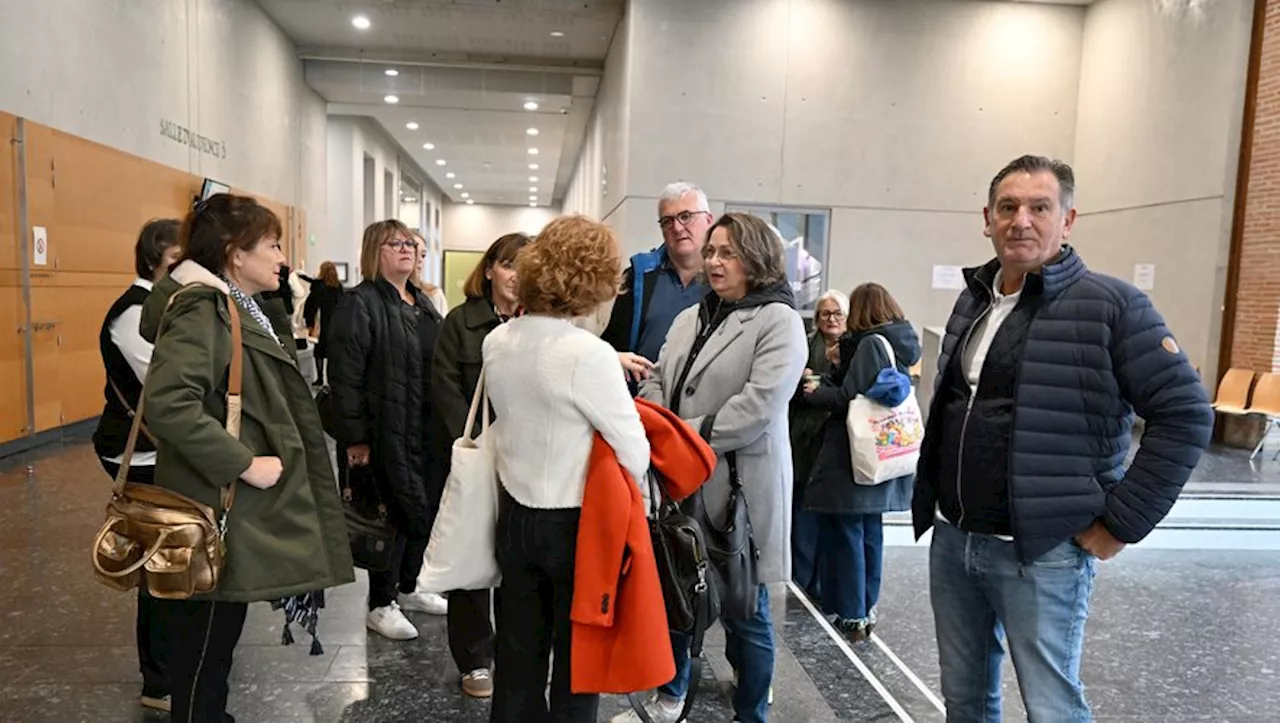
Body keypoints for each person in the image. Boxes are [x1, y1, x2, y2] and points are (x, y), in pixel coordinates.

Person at [914, 155, 1214, 721]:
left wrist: (1121, 524)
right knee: (965, 702)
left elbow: (1186, 415)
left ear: (1067, 220)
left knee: (1052, 707)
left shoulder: (1113, 307)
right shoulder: (976, 299)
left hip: (1043, 552)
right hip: (956, 540)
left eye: (1039, 208)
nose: (1020, 220)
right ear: (987, 218)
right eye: (1008, 207)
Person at [139, 194, 354, 722]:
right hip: (215, 502)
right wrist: (243, 462)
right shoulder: (203, 307)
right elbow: (169, 404)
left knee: (215, 639)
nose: (283, 257)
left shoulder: (237, 304)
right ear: (235, 254)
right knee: (205, 641)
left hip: (224, 504)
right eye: (273, 245)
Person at [625, 212, 807, 723]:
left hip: (738, 491)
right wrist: (661, 430)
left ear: (757, 258)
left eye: (727, 252)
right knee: (679, 594)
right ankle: (671, 694)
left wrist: (680, 437)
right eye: (711, 252)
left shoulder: (779, 320)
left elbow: (758, 408)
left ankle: (751, 712)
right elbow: (657, 381)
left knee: (744, 612)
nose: (714, 261)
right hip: (679, 483)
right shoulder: (692, 316)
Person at [484, 216, 650, 723]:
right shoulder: (589, 355)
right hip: (575, 525)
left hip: (512, 513)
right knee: (578, 665)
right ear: (594, 281)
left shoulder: (499, 340)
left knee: (516, 659)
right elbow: (634, 451)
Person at [329, 220, 450, 640]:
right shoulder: (360, 302)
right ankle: (381, 603)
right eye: (393, 243)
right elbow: (344, 376)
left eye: (410, 243)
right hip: (384, 429)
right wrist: (355, 438)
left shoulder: (422, 301)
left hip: (425, 427)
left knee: (423, 507)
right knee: (388, 515)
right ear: (373, 251)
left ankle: (409, 586)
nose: (405, 249)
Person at [430, 231, 531, 698]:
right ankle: (474, 659)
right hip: (475, 457)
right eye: (509, 265)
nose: (516, 276)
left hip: (528, 464)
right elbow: (446, 388)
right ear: (490, 269)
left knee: (517, 561)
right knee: (472, 558)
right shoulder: (460, 322)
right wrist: (476, 446)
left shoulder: (542, 322)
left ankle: (515, 651)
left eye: (525, 267)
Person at [91, 217, 182, 713]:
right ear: (152, 261)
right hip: (136, 450)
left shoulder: (166, 305)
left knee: (176, 557)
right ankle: (159, 679)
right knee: (160, 563)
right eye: (174, 263)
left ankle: (172, 667)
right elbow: (168, 384)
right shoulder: (131, 312)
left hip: (164, 448)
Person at [801, 283, 920, 641]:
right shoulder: (901, 341)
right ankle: (867, 608)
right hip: (884, 454)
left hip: (856, 457)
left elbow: (849, 397)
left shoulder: (870, 343)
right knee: (871, 533)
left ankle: (852, 615)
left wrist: (815, 393)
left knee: (850, 534)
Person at [603, 181, 713, 384]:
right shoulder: (639, 277)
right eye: (667, 221)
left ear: (708, 220)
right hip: (643, 403)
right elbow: (612, 345)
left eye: (686, 216)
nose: (677, 228)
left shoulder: (725, 281)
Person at [787, 289, 848, 603]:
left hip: (836, 441)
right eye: (825, 313)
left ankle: (824, 585)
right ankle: (800, 578)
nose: (831, 319)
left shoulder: (853, 347)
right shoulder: (805, 344)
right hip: (802, 438)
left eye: (837, 313)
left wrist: (818, 386)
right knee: (801, 510)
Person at [303, 260, 344, 386]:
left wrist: (308, 321)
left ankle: (320, 378)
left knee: (319, 352)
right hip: (336, 323)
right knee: (333, 352)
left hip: (321, 323)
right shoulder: (338, 287)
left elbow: (310, 305)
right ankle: (332, 379)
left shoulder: (318, 286)